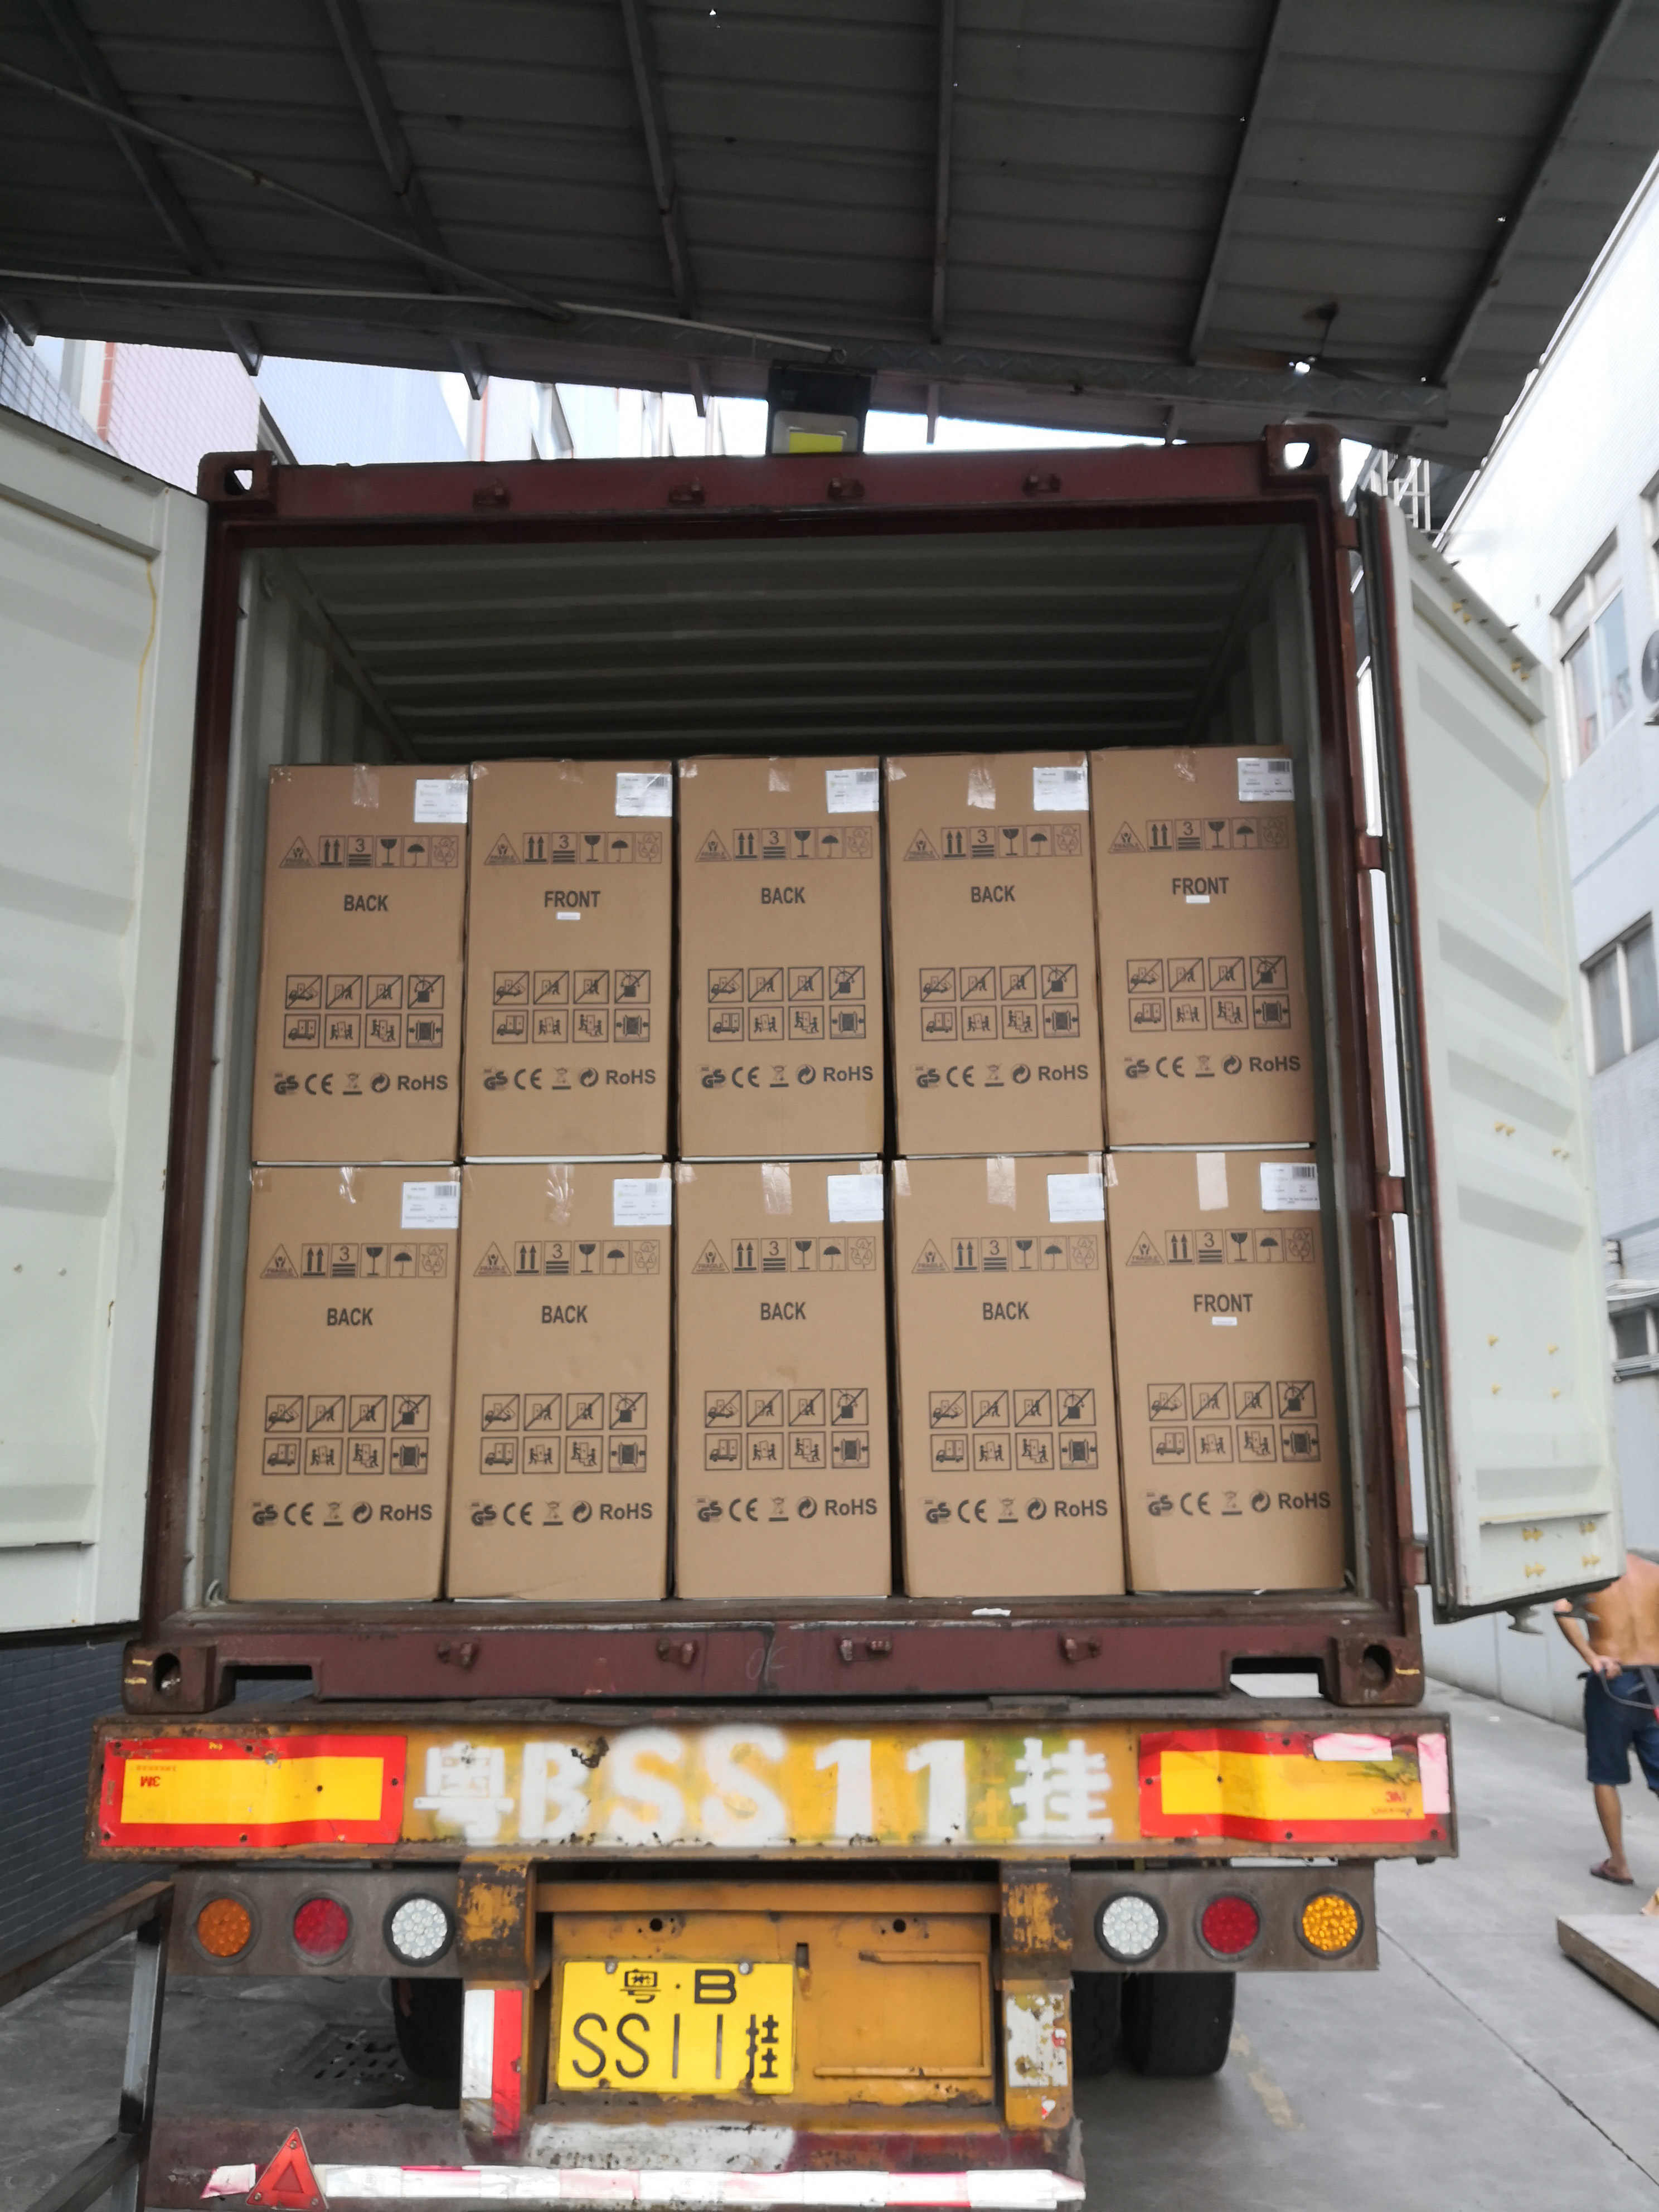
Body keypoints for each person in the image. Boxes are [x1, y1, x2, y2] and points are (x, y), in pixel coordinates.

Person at [1554, 1551, 1659, 1885]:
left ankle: (1618, 1864)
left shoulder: (1591, 1573)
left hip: (1614, 1681)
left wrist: (1591, 1657)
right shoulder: (1653, 1572)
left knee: (1605, 1775)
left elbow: (1561, 1609)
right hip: (1655, 1682)